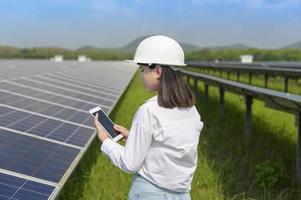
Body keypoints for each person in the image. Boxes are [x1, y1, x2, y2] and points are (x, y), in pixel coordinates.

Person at [94, 35, 204, 200]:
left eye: (143, 70)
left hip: (150, 193)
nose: (141, 76)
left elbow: (130, 164)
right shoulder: (191, 110)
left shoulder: (149, 111)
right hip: (182, 195)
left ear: (158, 71)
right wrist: (132, 136)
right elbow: (170, 147)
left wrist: (105, 141)